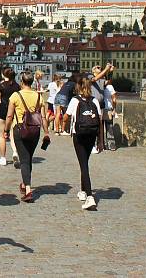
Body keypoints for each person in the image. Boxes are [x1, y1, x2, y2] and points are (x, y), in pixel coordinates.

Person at [4, 70, 50, 202]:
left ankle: (28, 190)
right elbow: (43, 117)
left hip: (20, 129)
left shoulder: (15, 96)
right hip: (35, 130)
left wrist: (6, 130)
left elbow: (9, 116)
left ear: (22, 81)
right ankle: (24, 183)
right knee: (28, 157)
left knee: (24, 159)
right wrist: (46, 132)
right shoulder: (38, 96)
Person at [66, 77, 103, 210]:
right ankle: (83, 191)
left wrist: (64, 127)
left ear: (79, 87)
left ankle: (89, 196)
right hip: (92, 134)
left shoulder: (75, 100)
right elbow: (99, 120)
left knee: (83, 165)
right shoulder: (94, 100)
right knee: (85, 162)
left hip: (79, 134)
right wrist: (101, 141)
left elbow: (67, 115)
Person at [0, 67, 20, 166]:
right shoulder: (17, 86)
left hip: (3, 110)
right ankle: (15, 152)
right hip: (13, 111)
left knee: (2, 135)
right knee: (13, 134)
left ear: (4, 75)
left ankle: (3, 158)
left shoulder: (1, 86)